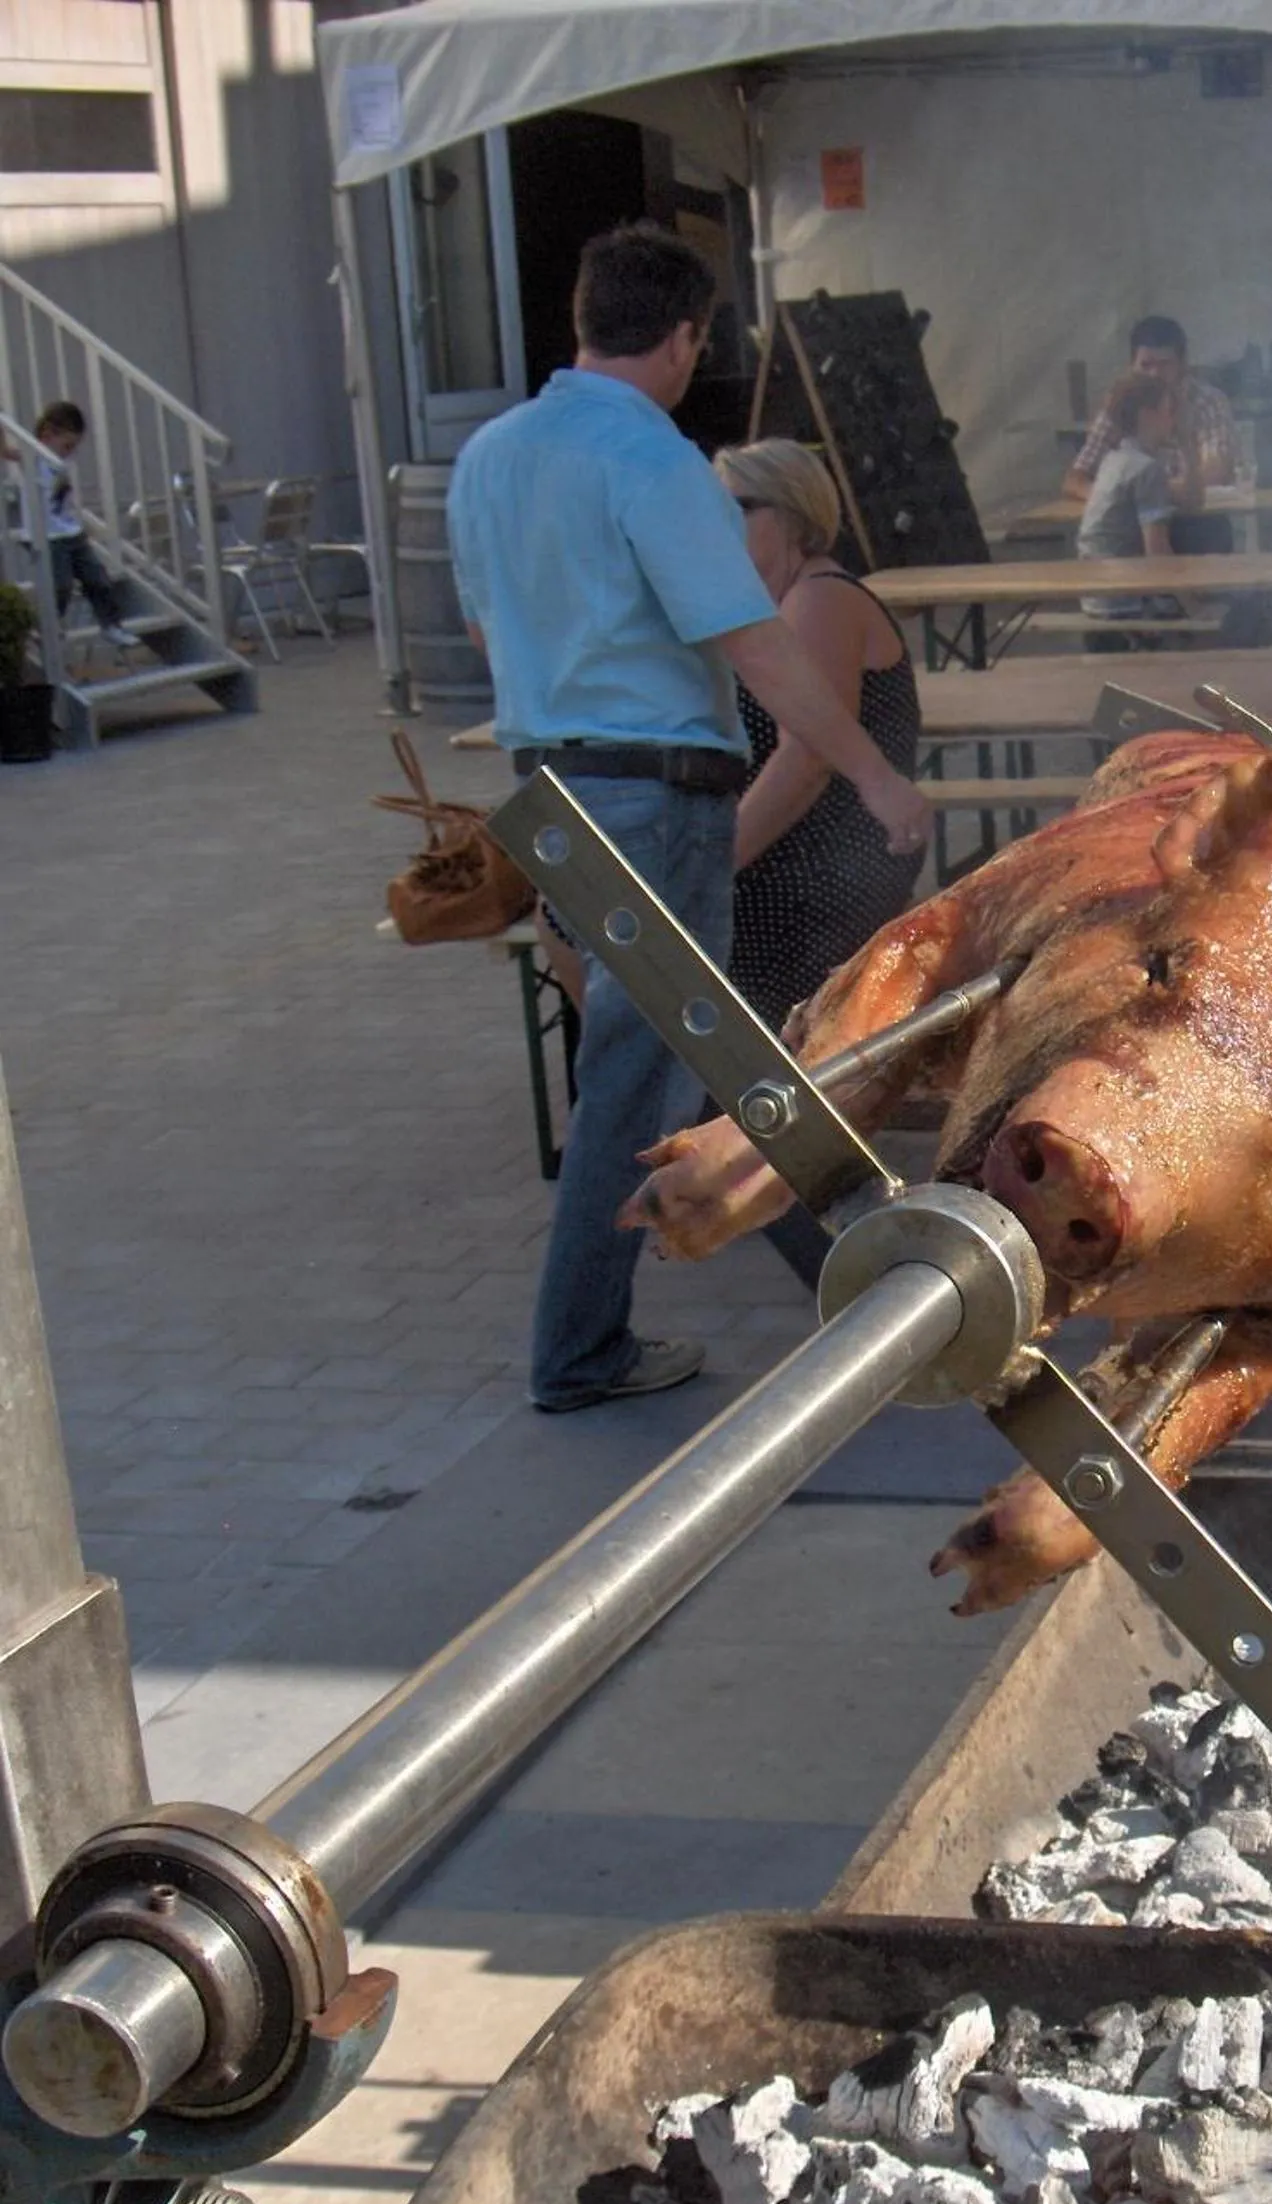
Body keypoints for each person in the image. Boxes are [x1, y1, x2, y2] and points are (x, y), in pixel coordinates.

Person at [447, 221, 931, 1414]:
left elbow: (478, 631)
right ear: (681, 339)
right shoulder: (654, 459)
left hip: (549, 790)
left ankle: (853, 1280)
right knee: (665, 1070)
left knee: (683, 1063)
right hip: (652, 794)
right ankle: (585, 1347)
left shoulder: (489, 456)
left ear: (578, 315)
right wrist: (874, 774)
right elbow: (754, 643)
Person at [712, 438, 924, 1291]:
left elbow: (805, 763)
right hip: (815, 862)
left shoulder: (817, 602)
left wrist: (714, 861)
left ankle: (798, 1202)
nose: (721, 530)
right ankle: (731, 1155)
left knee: (653, 960)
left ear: (791, 517)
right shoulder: (783, 602)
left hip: (826, 873)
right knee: (582, 927)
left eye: (739, 511)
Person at [1062, 316, 1246, 555]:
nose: (1154, 374)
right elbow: (1074, 479)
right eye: (1145, 365)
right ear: (1132, 365)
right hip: (1136, 530)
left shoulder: (1208, 401)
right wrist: (1118, 499)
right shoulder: (1123, 403)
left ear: (1182, 363)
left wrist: (1146, 491)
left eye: (1164, 364)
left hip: (1197, 523)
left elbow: (1214, 472)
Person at [21, 402, 138, 647]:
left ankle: (111, 625)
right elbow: (5, 451)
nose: (69, 452)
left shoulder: (60, 460)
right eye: (67, 445)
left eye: (73, 447)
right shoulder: (33, 455)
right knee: (60, 585)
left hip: (71, 531)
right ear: (47, 434)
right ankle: (48, 626)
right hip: (48, 536)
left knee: (98, 579)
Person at [1074, 372, 1182, 628]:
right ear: (1147, 415)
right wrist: (1192, 602)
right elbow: (1157, 553)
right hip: (1127, 602)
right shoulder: (1147, 468)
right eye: (1168, 411)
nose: (1173, 420)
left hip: (1095, 596)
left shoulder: (1113, 459)